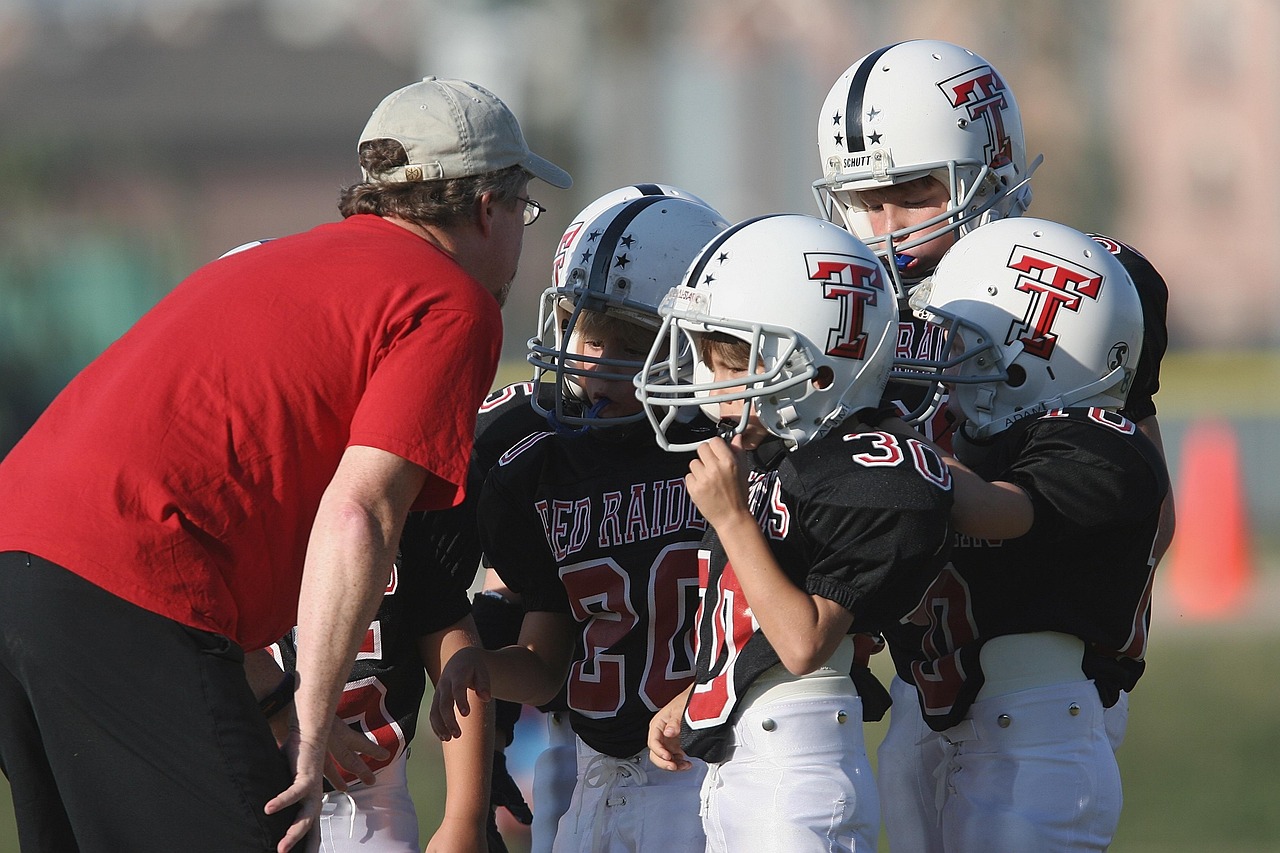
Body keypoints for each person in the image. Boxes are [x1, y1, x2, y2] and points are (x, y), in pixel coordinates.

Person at [0, 75, 569, 852]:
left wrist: (278, 696)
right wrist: (306, 729)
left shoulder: (273, 262)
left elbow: (171, 494)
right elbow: (359, 511)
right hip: (121, 589)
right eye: (523, 210)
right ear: (486, 208)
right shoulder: (448, 299)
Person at [811, 38, 1173, 850]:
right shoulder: (862, 309)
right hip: (924, 671)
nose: (885, 228)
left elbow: (1144, 500)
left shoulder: (1074, 287)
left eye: (911, 193)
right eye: (863, 200)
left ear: (989, 162)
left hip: (1042, 674)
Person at [636, 213, 955, 853]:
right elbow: (753, 615)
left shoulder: (864, 471)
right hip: (750, 760)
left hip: (797, 772)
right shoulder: (780, 461)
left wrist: (730, 518)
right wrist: (708, 694)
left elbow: (805, 642)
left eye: (728, 361)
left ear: (820, 368)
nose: (706, 386)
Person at [429, 192, 730, 853]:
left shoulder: (735, 451)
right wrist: (487, 677)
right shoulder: (529, 448)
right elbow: (541, 638)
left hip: (713, 771)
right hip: (591, 770)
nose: (594, 363)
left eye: (630, 342)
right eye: (589, 332)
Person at [890, 217, 1169, 850]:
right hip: (966, 725)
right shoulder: (985, 440)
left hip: (1039, 741)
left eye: (960, 342)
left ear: (1025, 356)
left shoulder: (1103, 447)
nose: (941, 358)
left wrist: (892, 455)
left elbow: (1000, 512)